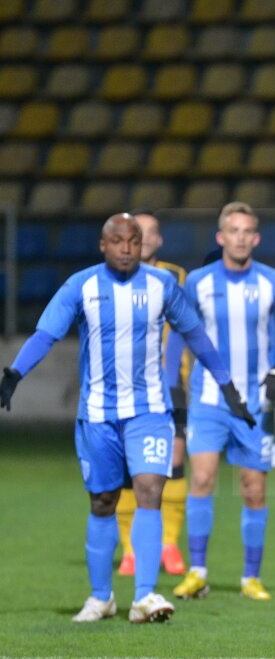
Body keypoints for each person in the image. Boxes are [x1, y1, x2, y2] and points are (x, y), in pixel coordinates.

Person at [0, 213, 253, 623]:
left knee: (149, 488)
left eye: (133, 241)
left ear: (143, 245)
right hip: (97, 415)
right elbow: (46, 333)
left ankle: (145, 596)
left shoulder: (162, 286)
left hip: (149, 411)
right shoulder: (81, 285)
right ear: (103, 245)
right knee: (102, 501)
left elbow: (195, 335)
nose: (125, 249)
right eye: (117, 241)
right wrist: (14, 373)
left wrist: (226, 385)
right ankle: (101, 598)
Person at [170, 202, 275, 603]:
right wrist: (172, 383)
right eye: (233, 230)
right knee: (201, 479)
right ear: (221, 237)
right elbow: (179, 332)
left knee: (253, 489)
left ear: (256, 238)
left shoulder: (272, 282)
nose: (240, 237)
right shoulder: (197, 282)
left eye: (247, 231)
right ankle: (197, 572)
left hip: (255, 403)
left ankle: (251, 576)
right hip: (208, 399)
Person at [115, 208, 190, 577]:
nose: (141, 239)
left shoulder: (176, 276)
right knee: (127, 468)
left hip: (171, 385)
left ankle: (169, 544)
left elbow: (184, 327)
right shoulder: (111, 280)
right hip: (124, 387)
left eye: (148, 233)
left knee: (174, 461)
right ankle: (129, 549)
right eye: (135, 233)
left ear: (158, 240)